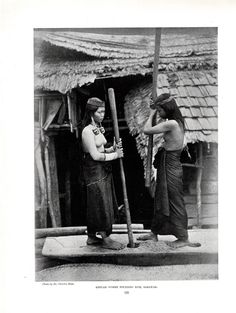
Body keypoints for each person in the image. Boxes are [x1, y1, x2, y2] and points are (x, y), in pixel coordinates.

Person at [137, 93, 200, 248]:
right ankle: (154, 232)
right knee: (161, 198)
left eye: (160, 109)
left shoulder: (172, 123)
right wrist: (155, 105)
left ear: (167, 108)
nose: (158, 112)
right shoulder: (176, 121)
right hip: (168, 163)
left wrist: (151, 112)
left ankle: (183, 237)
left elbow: (146, 130)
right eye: (157, 110)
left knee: (173, 200)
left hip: (171, 165)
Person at [81, 97, 125, 250]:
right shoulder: (87, 131)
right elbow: (95, 155)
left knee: (103, 201)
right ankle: (105, 238)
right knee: (99, 202)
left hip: (103, 168)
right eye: (99, 112)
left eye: (104, 111)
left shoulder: (97, 127)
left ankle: (92, 237)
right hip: (94, 169)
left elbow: (101, 150)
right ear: (91, 113)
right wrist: (116, 155)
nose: (102, 114)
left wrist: (112, 149)